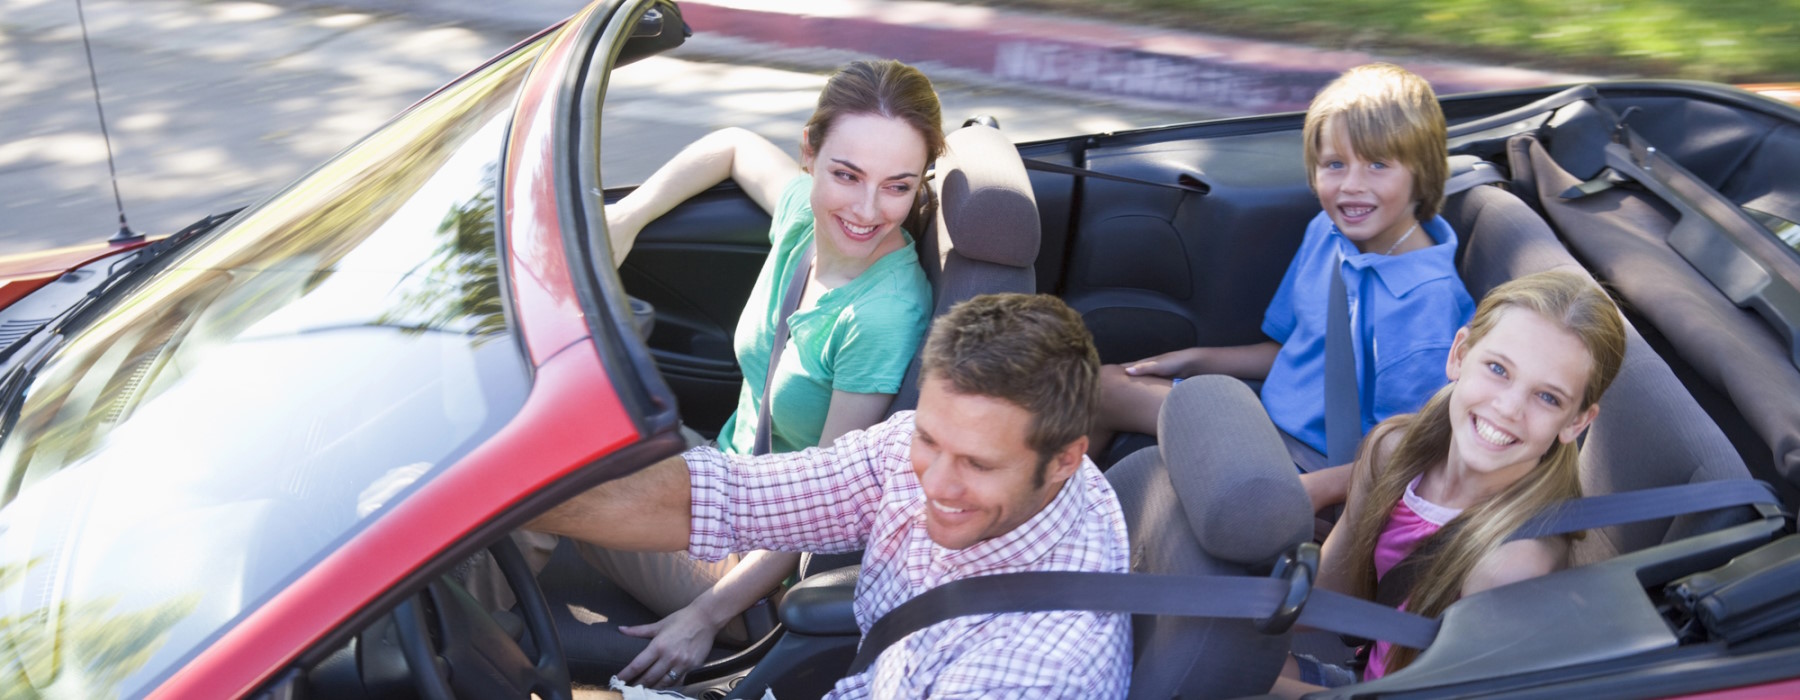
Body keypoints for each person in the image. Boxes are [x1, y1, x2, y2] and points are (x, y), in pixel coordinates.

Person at [530, 293, 1132, 699]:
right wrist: (515, 496)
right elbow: (735, 496)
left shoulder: (1036, 668)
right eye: (930, 439)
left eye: (978, 464)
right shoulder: (920, 455)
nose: (935, 483)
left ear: (1065, 461)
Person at [590, 59, 942, 685]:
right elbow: (730, 146)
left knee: (539, 489)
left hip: (753, 557)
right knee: (561, 430)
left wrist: (704, 614)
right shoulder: (804, 219)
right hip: (721, 479)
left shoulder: (883, 314)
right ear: (809, 154)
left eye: (897, 186)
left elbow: (829, 506)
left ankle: (436, 658)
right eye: (846, 174)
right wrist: (629, 217)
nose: (866, 209)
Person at [1089, 63, 1474, 501]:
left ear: (1420, 173)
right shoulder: (1328, 235)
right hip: (1268, 420)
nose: (1351, 186)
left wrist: (1305, 494)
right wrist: (1195, 359)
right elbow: (1291, 350)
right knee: (1101, 387)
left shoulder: (1426, 306)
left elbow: (1407, 452)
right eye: (1334, 164)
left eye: (1378, 165)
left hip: (1318, 465)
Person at [1278, 269, 1627, 692]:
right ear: (1459, 354)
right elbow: (1332, 592)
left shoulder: (1513, 565)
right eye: (1498, 368)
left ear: (1576, 422)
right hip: (1363, 675)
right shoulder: (1393, 450)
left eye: (1548, 397)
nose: (1509, 407)